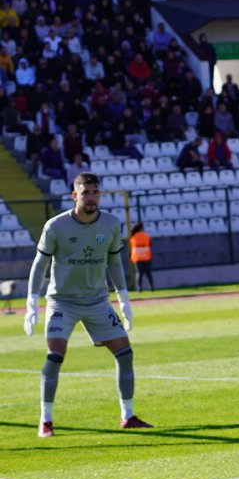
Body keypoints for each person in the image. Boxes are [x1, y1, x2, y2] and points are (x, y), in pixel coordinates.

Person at [23, 173, 152, 437]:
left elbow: (115, 262)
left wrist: (123, 297)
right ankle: (45, 420)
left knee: (125, 354)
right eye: (85, 193)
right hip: (63, 301)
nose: (91, 197)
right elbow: (40, 264)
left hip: (97, 300)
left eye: (95, 192)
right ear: (75, 195)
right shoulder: (56, 226)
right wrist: (31, 302)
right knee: (55, 356)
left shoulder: (112, 224)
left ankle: (127, 415)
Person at [129, 222, 154, 291]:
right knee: (148, 273)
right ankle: (151, 287)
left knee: (139, 273)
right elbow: (150, 245)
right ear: (141, 228)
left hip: (137, 258)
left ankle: (139, 288)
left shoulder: (132, 237)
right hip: (146, 257)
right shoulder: (147, 236)